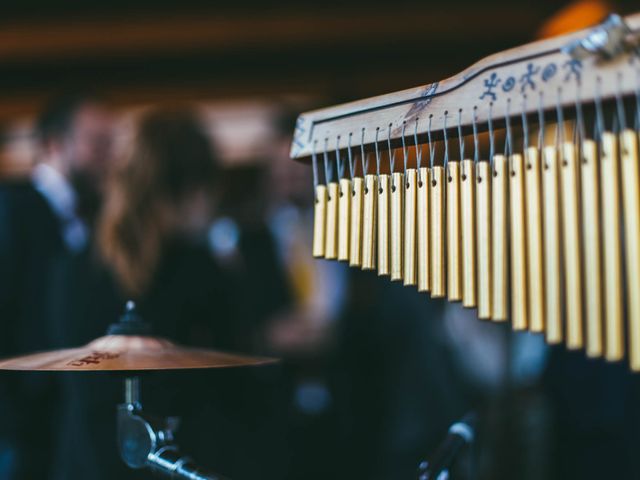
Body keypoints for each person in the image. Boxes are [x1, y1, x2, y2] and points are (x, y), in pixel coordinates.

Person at [50, 107, 286, 480]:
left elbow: (81, 399)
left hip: (89, 465)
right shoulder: (200, 269)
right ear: (192, 189)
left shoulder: (77, 267)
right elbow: (240, 394)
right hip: (183, 463)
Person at [0, 93, 114, 479]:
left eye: (110, 145)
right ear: (54, 143)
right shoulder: (11, 210)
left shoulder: (99, 216)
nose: (107, 156)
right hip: (23, 424)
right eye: (96, 143)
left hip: (74, 418)